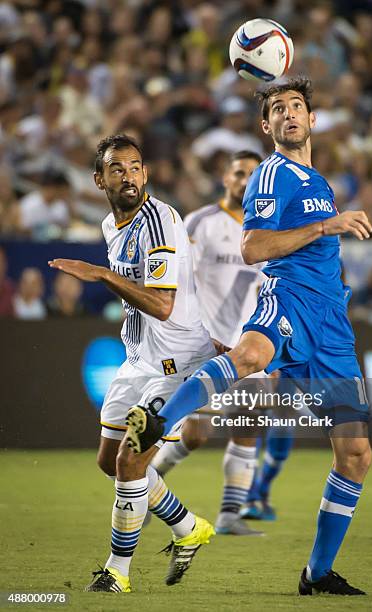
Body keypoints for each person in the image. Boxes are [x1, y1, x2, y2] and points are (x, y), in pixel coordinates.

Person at [126, 77, 372, 596]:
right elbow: (254, 248)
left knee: (355, 455)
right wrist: (327, 227)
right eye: (278, 109)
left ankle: (317, 573)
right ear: (267, 126)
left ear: (311, 119)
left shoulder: (318, 181)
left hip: (331, 324)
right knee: (252, 353)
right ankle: (156, 422)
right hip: (289, 301)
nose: (289, 114)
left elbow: (315, 252)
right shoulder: (270, 174)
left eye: (297, 106)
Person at [48, 134, 216, 593]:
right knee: (110, 461)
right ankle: (187, 527)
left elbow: (162, 305)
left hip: (178, 362)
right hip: (138, 359)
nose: (129, 176)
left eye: (136, 166)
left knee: (129, 459)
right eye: (117, 169)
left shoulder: (159, 222)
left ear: (146, 173)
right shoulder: (110, 225)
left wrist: (103, 275)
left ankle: (117, 572)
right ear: (99, 179)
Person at [151, 150, 267, 535]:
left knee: (249, 425)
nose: (246, 181)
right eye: (239, 173)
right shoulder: (200, 222)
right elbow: (177, 282)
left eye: (254, 174)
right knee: (197, 435)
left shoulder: (269, 228)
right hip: (210, 346)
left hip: (252, 344)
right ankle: (149, 480)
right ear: (225, 178)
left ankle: (230, 515)